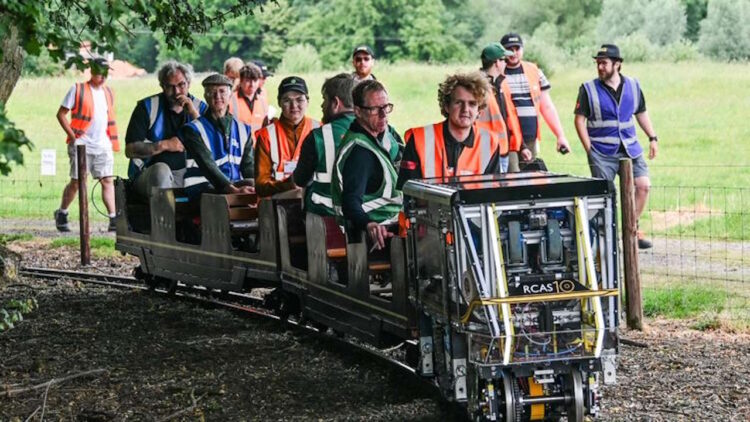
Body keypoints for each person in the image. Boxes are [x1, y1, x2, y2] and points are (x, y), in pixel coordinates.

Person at [574, 44, 658, 249]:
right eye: (598, 63)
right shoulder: (588, 89)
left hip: (630, 148)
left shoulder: (633, 85)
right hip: (602, 152)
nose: (600, 67)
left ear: (617, 64)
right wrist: (590, 151)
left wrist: (652, 137)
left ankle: (632, 229)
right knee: (605, 198)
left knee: (643, 186)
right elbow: (579, 121)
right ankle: (605, 240)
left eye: (604, 63)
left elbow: (641, 113)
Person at [398, 72, 503, 189]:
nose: (465, 110)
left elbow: (492, 194)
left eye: (472, 104)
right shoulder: (419, 139)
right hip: (428, 207)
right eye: (459, 103)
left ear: (479, 111)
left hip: (472, 207)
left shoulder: (489, 142)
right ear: (447, 106)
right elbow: (407, 192)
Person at [331, 80, 403, 250]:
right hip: (378, 237)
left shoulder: (372, 139)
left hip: (387, 228)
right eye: (375, 109)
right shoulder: (360, 153)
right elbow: (350, 203)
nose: (383, 114)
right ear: (358, 111)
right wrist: (369, 225)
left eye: (386, 107)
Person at [54, 58, 119, 232]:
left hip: (103, 143)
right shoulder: (78, 89)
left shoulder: (109, 92)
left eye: (106, 73)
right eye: (99, 72)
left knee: (107, 180)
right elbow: (61, 114)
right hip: (81, 144)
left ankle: (113, 219)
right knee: (77, 182)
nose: (103, 76)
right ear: (91, 71)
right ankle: (62, 212)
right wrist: (72, 136)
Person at [125, 61, 206, 199]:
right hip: (149, 174)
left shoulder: (200, 108)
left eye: (181, 85)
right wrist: (164, 145)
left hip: (188, 175)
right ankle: (163, 219)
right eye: (170, 87)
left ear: (189, 83)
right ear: (162, 86)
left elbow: (211, 147)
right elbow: (130, 150)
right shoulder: (147, 107)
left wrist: (193, 114)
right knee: (161, 171)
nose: (177, 92)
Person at [500, 33, 571, 169]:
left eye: (517, 48)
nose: (513, 53)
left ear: (522, 49)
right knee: (512, 180)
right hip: (508, 139)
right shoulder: (497, 71)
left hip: (530, 137)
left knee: (530, 179)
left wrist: (560, 136)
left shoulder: (534, 70)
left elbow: (547, 106)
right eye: (509, 49)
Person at [178, 74, 254, 198]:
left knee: (253, 184)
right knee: (222, 197)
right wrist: (233, 191)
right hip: (202, 187)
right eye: (212, 92)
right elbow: (208, 167)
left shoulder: (243, 129)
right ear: (205, 96)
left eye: (222, 91)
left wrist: (257, 187)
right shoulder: (193, 130)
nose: (217, 96)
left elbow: (249, 166)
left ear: (230, 95)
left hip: (232, 185)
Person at [292, 73, 357, 216]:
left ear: (335, 103)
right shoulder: (381, 130)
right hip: (370, 216)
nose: (322, 105)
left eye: (324, 100)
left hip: (325, 217)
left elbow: (300, 179)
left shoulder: (317, 137)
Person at [253, 76, 320, 197]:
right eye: (287, 100)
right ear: (279, 102)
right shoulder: (266, 135)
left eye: (299, 100)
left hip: (313, 204)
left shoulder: (320, 129)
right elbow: (260, 185)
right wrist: (288, 185)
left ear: (308, 101)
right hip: (275, 206)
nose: (294, 105)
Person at [477, 43, 526, 172]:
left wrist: (522, 146)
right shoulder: (478, 88)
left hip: (501, 150)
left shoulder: (499, 84)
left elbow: (508, 118)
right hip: (486, 152)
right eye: (504, 60)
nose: (506, 63)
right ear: (497, 63)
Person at [228, 62, 268, 134]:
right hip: (239, 144)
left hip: (258, 144)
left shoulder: (262, 101)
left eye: (255, 81)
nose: (252, 85)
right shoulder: (230, 100)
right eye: (248, 81)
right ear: (241, 81)